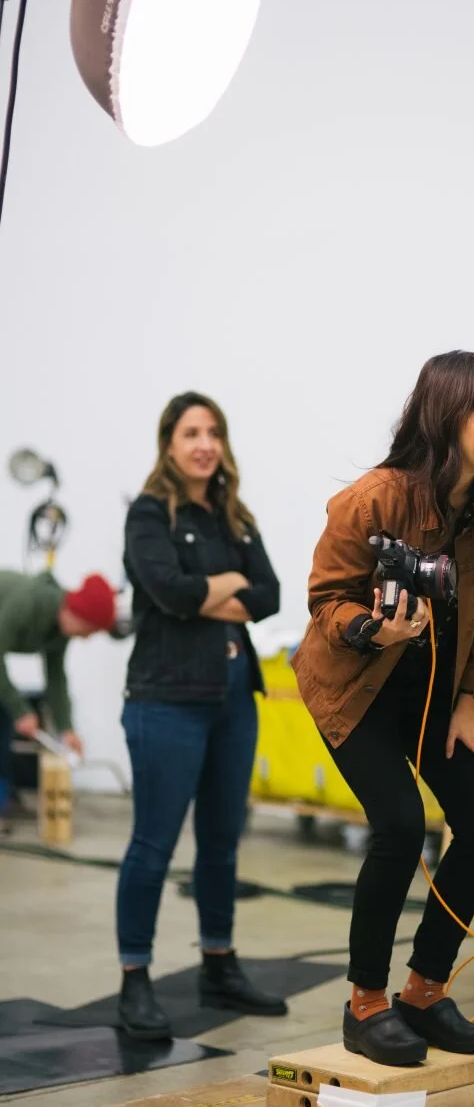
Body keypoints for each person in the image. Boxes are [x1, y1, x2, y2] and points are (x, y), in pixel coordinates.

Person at [292, 351, 474, 1066]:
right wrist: (373, 630)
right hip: (357, 687)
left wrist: (470, 702)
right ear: (445, 413)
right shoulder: (376, 498)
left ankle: (423, 992)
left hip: (436, 695)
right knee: (398, 823)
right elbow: (325, 600)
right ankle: (364, 1004)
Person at [116, 391, 284, 1040]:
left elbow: (268, 595)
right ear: (169, 443)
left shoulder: (233, 516)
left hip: (235, 696)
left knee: (221, 843)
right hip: (166, 701)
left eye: (213, 431)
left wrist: (206, 592)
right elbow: (169, 592)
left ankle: (219, 963)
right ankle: (135, 978)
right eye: (191, 432)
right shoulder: (148, 514)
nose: (204, 444)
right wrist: (225, 585)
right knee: (153, 846)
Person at [0, 570, 116, 825]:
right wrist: (21, 710)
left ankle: (4, 795)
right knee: (7, 712)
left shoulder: (59, 628)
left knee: (6, 716)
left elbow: (55, 677)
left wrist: (67, 728)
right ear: (75, 613)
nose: (86, 638)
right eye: (89, 630)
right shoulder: (28, 603)